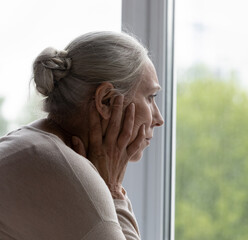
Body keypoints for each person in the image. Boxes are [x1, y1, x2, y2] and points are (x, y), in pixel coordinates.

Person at [0, 31, 164, 239]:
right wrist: (112, 190)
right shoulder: (63, 170)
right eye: (150, 97)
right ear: (105, 100)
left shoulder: (32, 145)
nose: (159, 119)